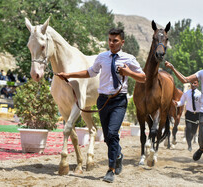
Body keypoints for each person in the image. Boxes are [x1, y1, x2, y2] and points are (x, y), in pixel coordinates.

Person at [57, 28, 146, 183]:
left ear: (122, 42)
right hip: (102, 100)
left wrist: (128, 72)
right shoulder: (102, 57)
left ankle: (110, 170)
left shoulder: (129, 58)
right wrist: (69, 75)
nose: (111, 43)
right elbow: (89, 72)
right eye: (110, 40)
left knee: (112, 134)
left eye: (115, 41)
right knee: (107, 138)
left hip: (119, 101)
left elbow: (143, 77)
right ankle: (118, 154)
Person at [174, 80, 201, 152]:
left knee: (194, 131)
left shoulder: (200, 94)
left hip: (197, 115)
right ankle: (189, 144)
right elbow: (182, 101)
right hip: (189, 114)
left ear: (198, 84)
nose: (193, 84)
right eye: (192, 83)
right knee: (188, 129)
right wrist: (177, 104)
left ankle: (190, 140)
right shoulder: (186, 93)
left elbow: (202, 104)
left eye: (195, 83)